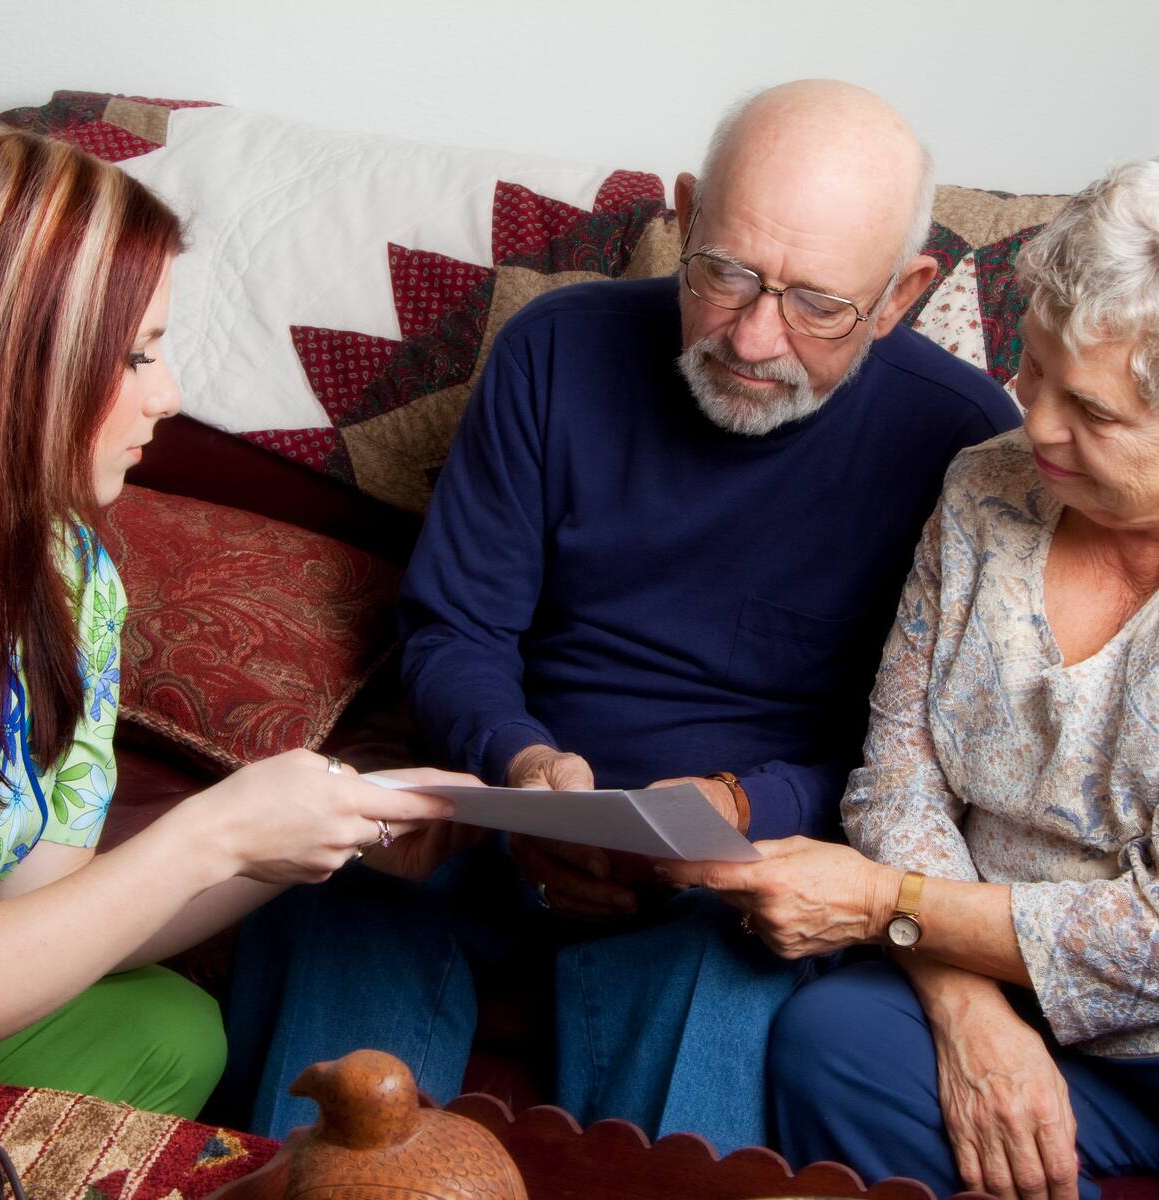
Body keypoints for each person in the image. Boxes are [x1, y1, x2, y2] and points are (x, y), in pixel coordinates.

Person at [229, 79, 1020, 1147]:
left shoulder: (966, 447)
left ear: (900, 293)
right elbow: (456, 630)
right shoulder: (555, 349)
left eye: (817, 304)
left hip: (741, 884)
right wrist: (521, 768)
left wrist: (744, 806)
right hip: (505, 819)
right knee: (341, 906)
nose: (752, 338)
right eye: (726, 273)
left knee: (721, 975)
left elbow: (932, 762)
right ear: (686, 216)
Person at [664, 160, 1159, 1196]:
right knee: (831, 1038)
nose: (1038, 423)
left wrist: (888, 901)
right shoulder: (987, 490)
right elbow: (898, 770)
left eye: (1097, 413)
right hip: (979, 959)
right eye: (1037, 367)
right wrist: (965, 1001)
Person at [0, 124, 475, 1118]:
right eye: (136, 354)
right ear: (11, 361)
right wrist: (208, 831)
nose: (172, 395)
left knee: (170, 1031)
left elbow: (45, 922)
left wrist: (309, 831)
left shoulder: (72, 577)